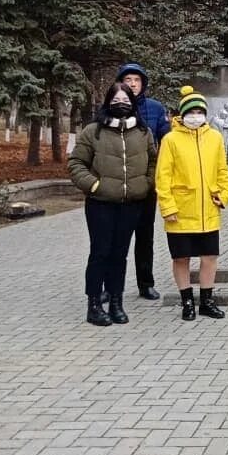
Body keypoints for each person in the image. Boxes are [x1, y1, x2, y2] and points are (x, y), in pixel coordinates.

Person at [68, 82, 157, 326]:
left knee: (120, 255)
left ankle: (116, 302)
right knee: (100, 253)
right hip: (101, 203)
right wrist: (95, 185)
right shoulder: (93, 131)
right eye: (116, 99)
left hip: (131, 203)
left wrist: (146, 183)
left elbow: (153, 161)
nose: (121, 104)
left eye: (126, 100)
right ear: (108, 102)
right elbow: (76, 164)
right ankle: (94, 303)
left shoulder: (142, 132)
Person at [155, 86, 228, 321]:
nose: (195, 116)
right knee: (181, 258)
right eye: (191, 112)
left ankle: (207, 301)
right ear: (182, 114)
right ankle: (186, 300)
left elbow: (223, 171)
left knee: (209, 257)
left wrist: (224, 194)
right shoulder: (170, 139)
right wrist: (167, 207)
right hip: (180, 211)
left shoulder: (215, 137)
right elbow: (163, 176)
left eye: (200, 111)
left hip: (208, 210)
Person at [115, 62, 170, 301]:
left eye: (136, 80)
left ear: (143, 83)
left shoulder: (155, 109)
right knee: (117, 239)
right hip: (118, 185)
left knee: (145, 237)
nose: (133, 84)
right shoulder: (111, 108)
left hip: (147, 183)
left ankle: (145, 283)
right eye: (128, 80)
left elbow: (167, 142)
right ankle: (111, 286)